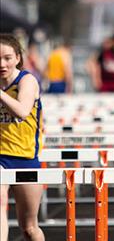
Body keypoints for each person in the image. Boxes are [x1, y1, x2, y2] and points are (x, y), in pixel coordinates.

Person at [0, 33, 45, 241]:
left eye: (7, 58)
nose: (2, 64)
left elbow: (22, 111)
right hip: (1, 157)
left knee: (29, 227)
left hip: (26, 158)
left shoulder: (27, 81)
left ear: (17, 57)